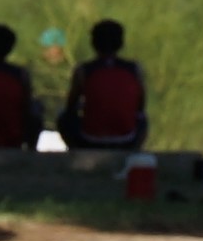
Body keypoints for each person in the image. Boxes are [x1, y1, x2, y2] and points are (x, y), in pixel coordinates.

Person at [58, 17, 145, 149]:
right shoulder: (134, 69)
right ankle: (134, 150)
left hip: (91, 139)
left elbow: (71, 105)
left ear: (93, 43)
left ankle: (75, 149)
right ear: (121, 43)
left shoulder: (84, 70)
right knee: (143, 119)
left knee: (63, 116)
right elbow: (140, 105)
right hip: (127, 139)